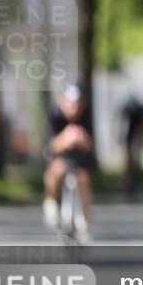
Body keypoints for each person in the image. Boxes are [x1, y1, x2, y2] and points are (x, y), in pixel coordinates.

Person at [43, 82, 96, 242]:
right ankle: (52, 201)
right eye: (72, 103)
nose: (75, 107)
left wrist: (81, 139)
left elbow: (90, 144)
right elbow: (51, 145)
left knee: (83, 179)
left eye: (78, 103)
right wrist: (66, 138)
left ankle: (84, 223)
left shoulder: (85, 115)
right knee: (57, 170)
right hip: (60, 154)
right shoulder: (55, 114)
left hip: (79, 157)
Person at [117, 95, 143, 200]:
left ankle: (136, 181)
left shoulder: (139, 112)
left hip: (136, 136)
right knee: (127, 163)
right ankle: (128, 187)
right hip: (128, 137)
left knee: (136, 160)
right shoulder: (128, 111)